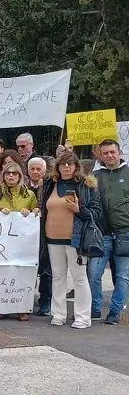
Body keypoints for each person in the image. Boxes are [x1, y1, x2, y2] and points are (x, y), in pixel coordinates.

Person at [40, 151, 99, 329]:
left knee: (79, 278)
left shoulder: (86, 185)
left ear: (76, 167)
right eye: (63, 164)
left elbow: (95, 213)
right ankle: (58, 314)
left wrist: (77, 209)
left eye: (70, 164)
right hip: (52, 238)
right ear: (57, 167)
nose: (66, 167)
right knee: (58, 277)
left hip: (76, 239)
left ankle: (82, 317)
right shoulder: (51, 184)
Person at [0, 162, 39, 320]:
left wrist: (32, 211)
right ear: (3, 176)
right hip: (1, 242)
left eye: (15, 173)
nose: (11, 176)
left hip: (22, 242)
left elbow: (36, 211)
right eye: (8, 173)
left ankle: (22, 307)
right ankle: (1, 307)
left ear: (20, 176)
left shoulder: (29, 194)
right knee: (1, 273)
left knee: (21, 273)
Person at [90, 139, 129, 325]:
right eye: (105, 153)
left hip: (125, 233)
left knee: (122, 276)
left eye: (112, 152)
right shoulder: (95, 176)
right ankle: (95, 308)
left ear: (119, 152)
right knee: (94, 273)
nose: (109, 156)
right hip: (101, 233)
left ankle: (114, 311)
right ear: (101, 156)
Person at [26, 156, 51, 316]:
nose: (35, 172)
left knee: (46, 268)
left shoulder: (50, 186)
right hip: (26, 234)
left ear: (44, 170)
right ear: (28, 171)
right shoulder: (22, 187)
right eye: (32, 169)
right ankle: (24, 300)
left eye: (38, 169)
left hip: (46, 230)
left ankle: (46, 301)